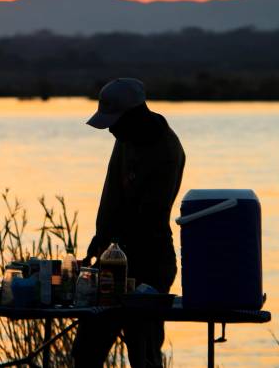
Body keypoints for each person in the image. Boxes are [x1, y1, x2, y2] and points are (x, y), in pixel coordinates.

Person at [73, 78, 185, 368]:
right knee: (87, 347)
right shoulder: (125, 137)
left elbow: (150, 217)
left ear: (135, 114)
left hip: (151, 261)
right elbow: (111, 196)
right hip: (113, 256)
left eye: (115, 122)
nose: (110, 129)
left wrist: (114, 252)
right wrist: (99, 244)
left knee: (142, 352)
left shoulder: (167, 151)